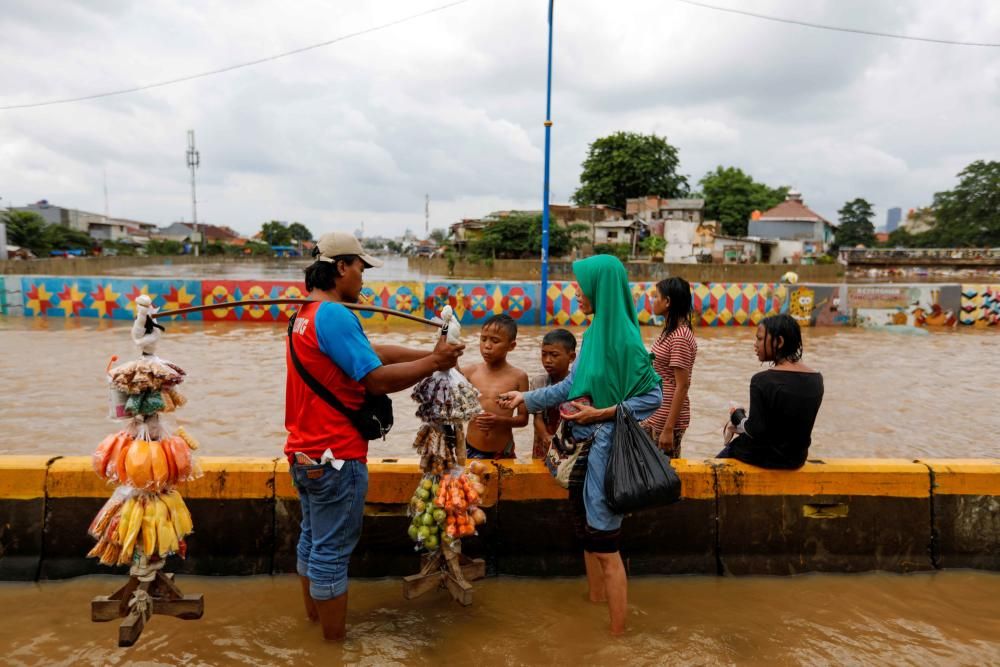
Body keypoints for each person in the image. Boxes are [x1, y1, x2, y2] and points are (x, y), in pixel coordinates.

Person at [285, 231, 464, 640]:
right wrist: (434, 360)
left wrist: (432, 357)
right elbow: (377, 379)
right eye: (361, 268)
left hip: (303, 452)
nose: (363, 278)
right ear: (341, 267)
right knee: (330, 554)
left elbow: (372, 351)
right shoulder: (334, 316)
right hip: (336, 457)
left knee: (311, 543)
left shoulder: (304, 316)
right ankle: (333, 646)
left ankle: (314, 624)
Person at [499, 255, 662, 636]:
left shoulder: (623, 340)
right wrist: (524, 399)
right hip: (584, 449)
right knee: (591, 537)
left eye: (581, 286)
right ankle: (595, 606)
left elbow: (653, 397)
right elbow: (570, 388)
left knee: (607, 546)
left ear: (600, 290)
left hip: (606, 454)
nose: (576, 293)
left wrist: (603, 413)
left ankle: (617, 638)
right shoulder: (592, 337)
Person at [717, 313, 823, 469]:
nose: (755, 344)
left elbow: (755, 431)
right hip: (796, 460)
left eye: (760, 339)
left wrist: (736, 415)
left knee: (719, 461)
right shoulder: (817, 379)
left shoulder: (762, 380)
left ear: (779, 342)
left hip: (764, 459)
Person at [642, 277, 697, 458]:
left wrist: (668, 429)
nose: (652, 300)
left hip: (665, 420)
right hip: (656, 414)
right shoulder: (670, 331)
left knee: (662, 477)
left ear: (667, 302)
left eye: (656, 296)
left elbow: (682, 385)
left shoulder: (680, 336)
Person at [461, 314, 529, 459]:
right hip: (471, 449)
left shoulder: (519, 377)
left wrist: (499, 421)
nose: (487, 346)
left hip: (503, 452)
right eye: (483, 339)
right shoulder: (469, 372)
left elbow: (523, 420)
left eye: (495, 341)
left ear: (511, 346)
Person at [528, 328, 578, 459]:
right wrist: (546, 437)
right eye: (544, 354)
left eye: (554, 355)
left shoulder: (577, 385)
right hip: (543, 444)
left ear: (571, 357)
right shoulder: (538, 382)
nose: (547, 360)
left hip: (569, 443)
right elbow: (537, 418)